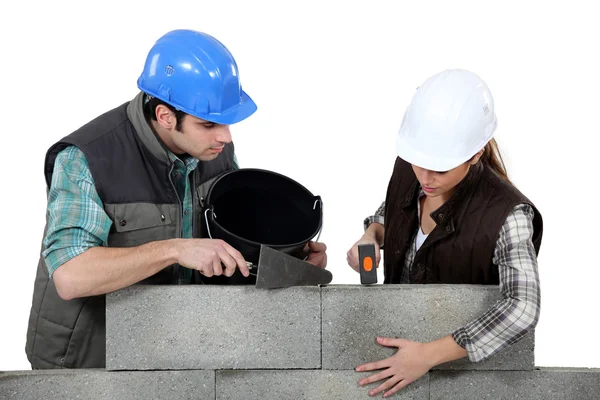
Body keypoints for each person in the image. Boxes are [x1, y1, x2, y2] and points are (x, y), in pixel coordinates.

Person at [26, 29, 327, 370]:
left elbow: (228, 241)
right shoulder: (88, 159)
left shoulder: (213, 149)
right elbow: (69, 275)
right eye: (209, 124)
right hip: (91, 360)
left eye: (227, 123)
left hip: (175, 350)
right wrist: (175, 249)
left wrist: (291, 260)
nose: (225, 138)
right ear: (166, 116)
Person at [346, 69, 543, 397]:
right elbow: (391, 210)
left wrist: (427, 356)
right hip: (398, 366)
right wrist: (373, 234)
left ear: (476, 154)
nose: (424, 176)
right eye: (418, 161)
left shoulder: (508, 214)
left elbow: (523, 306)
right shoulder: (413, 167)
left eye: (440, 168)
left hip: (459, 379)